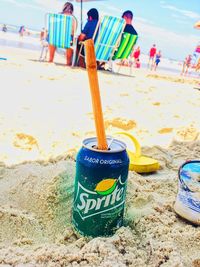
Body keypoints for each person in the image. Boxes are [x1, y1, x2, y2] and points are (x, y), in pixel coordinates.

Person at [48, 2, 77, 66]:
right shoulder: (73, 18)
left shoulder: (57, 16)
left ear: (63, 8)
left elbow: (52, 27)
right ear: (72, 10)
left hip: (54, 39)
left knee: (52, 37)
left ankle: (51, 59)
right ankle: (68, 62)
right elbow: (74, 32)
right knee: (71, 41)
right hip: (67, 41)